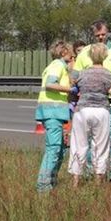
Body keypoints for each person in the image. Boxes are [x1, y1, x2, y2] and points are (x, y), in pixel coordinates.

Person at [74, 21, 111, 182]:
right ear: (93, 35)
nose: (101, 37)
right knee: (91, 141)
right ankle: (92, 173)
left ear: (108, 32)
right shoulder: (85, 53)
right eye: (97, 36)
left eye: (103, 34)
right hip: (93, 102)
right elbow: (75, 75)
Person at [68, 44, 111, 187]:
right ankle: (98, 181)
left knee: (78, 145)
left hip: (82, 110)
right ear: (105, 56)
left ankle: (75, 181)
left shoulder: (82, 73)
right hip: (101, 110)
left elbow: (72, 81)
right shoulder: (108, 74)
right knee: (100, 147)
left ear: (89, 56)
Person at [35, 41, 75, 192]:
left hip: (53, 112)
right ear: (64, 52)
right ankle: (43, 186)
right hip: (52, 111)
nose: (73, 55)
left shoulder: (57, 66)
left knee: (59, 148)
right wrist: (69, 89)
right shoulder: (57, 66)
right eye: (71, 52)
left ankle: (50, 180)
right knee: (53, 149)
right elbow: (50, 84)